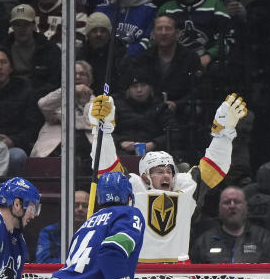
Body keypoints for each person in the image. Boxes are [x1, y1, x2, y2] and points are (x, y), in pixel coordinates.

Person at [90, 92, 248, 263]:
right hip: (139, 273)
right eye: (159, 171)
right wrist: (102, 132)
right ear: (145, 177)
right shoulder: (132, 188)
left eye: (169, 171)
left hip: (178, 273)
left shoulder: (186, 188)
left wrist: (224, 133)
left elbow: (215, 166)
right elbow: (106, 168)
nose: (166, 175)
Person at [156, 0, 234, 70]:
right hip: (172, 66)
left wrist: (208, 56)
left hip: (207, 67)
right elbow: (155, 39)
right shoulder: (166, 8)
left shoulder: (214, 6)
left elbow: (228, 39)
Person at [190, 185, 270, 263]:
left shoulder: (263, 239)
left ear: (246, 207)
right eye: (227, 202)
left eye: (237, 202)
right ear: (219, 208)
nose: (232, 206)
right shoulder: (203, 242)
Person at [35, 189, 90, 263]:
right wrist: (77, 263)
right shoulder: (49, 232)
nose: (80, 209)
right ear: (66, 207)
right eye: (75, 205)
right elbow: (43, 262)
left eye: (85, 206)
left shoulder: (97, 232)